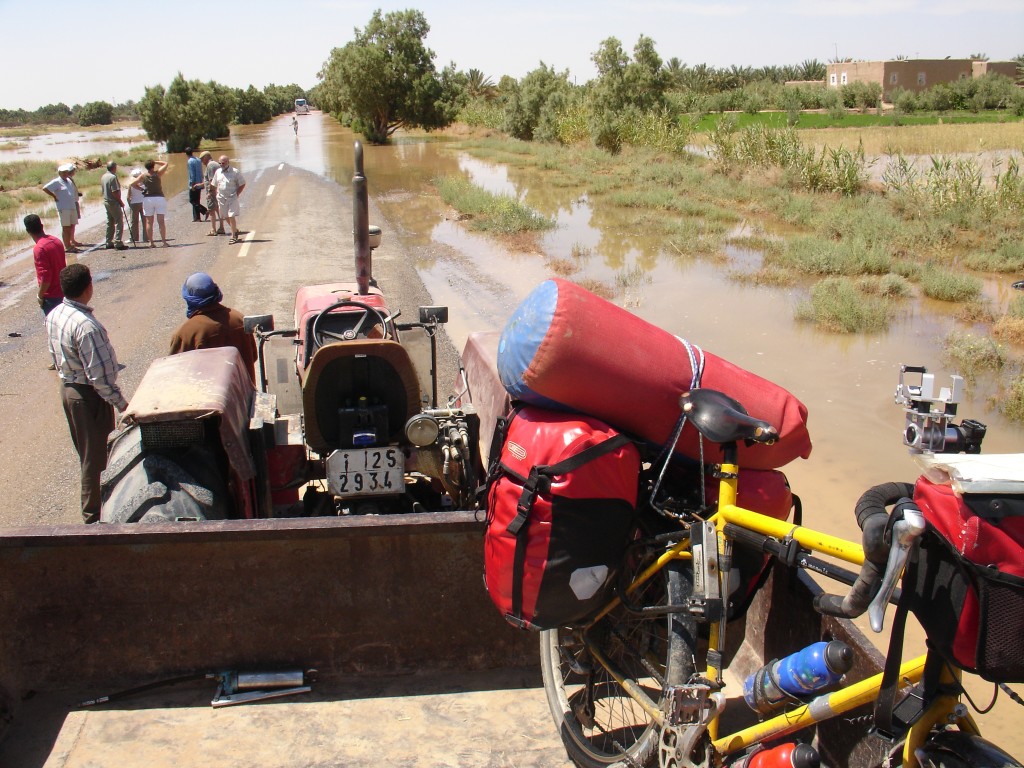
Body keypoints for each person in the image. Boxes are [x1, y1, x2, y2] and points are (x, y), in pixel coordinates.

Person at [46, 263, 129, 523]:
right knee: (95, 459)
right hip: (88, 396)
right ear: (88, 287)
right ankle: (93, 517)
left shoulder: (55, 314)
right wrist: (123, 404)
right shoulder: (87, 327)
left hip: (69, 390)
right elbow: (99, 378)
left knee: (86, 453)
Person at [170, 272, 257, 384]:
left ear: (189, 298)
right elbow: (253, 356)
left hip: (205, 399)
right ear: (216, 292)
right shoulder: (240, 319)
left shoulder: (185, 333)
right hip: (244, 394)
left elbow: (174, 372)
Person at [24, 213, 66, 316]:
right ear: (42, 226)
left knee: (54, 328)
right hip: (64, 291)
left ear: (28, 231)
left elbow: (46, 277)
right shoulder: (56, 240)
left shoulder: (39, 249)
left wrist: (40, 295)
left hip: (52, 297)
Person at [42, 163, 82, 253]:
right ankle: (67, 246)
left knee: (71, 226)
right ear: (59, 173)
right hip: (64, 208)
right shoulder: (57, 181)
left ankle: (70, 244)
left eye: (66, 172)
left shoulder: (69, 180)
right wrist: (54, 196)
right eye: (63, 172)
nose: (65, 174)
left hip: (71, 207)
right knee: (66, 227)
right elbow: (45, 188)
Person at [131, 159, 170, 247]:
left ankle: (151, 242)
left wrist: (142, 189)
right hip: (159, 197)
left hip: (148, 199)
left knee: (149, 222)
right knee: (161, 221)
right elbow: (165, 163)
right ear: (153, 166)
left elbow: (133, 184)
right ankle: (164, 242)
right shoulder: (158, 173)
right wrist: (156, 161)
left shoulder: (143, 176)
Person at [212, 156, 246, 244]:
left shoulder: (235, 172)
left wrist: (237, 193)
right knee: (225, 216)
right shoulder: (218, 172)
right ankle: (235, 230)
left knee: (231, 215)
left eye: (223, 163)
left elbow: (242, 183)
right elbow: (215, 184)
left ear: (228, 162)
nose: (221, 165)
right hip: (221, 198)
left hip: (232, 197)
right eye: (220, 163)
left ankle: (234, 235)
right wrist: (215, 194)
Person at [100, 161, 127, 250]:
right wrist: (120, 201)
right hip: (113, 202)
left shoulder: (104, 176)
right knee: (119, 221)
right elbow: (114, 191)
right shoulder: (112, 177)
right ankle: (118, 242)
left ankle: (108, 241)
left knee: (110, 221)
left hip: (106, 201)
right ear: (114, 168)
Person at [200, 151, 224, 236]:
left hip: (213, 191)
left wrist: (210, 192)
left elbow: (211, 181)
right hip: (218, 190)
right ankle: (221, 227)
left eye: (202, 159)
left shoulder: (210, 166)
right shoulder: (216, 164)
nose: (202, 162)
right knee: (218, 209)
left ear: (206, 157)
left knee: (211, 211)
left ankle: (213, 230)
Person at [185, 147, 207, 222]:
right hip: (199, 182)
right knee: (197, 200)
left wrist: (192, 184)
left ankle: (204, 211)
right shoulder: (198, 160)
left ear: (186, 154)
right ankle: (197, 218)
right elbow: (201, 172)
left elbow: (192, 174)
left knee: (192, 200)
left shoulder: (190, 161)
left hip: (194, 183)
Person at [126, 168, 147, 243]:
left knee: (134, 222)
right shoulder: (145, 182)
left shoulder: (131, 184)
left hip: (134, 203)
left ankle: (134, 238)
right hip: (144, 202)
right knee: (145, 221)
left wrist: (129, 204)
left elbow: (128, 196)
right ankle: (146, 237)